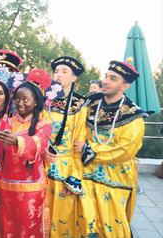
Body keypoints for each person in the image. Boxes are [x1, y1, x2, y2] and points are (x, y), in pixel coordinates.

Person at [75, 59, 148, 237]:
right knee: (84, 227)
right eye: (106, 76)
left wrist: (87, 150)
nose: (105, 81)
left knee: (112, 229)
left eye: (112, 78)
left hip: (116, 181)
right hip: (86, 176)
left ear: (125, 86)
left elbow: (125, 150)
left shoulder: (133, 115)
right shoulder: (90, 104)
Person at [0, 69, 53, 238]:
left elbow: (40, 144)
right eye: (17, 99)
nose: (20, 103)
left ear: (36, 102)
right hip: (6, 187)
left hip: (32, 190)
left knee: (29, 229)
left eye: (25, 99)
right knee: (6, 228)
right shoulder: (6, 121)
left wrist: (16, 141)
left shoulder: (44, 124)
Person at [44, 56, 88, 237]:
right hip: (43, 164)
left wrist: (75, 177)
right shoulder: (45, 100)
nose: (59, 75)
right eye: (56, 71)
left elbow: (79, 142)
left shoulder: (79, 105)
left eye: (64, 71)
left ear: (74, 78)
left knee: (62, 220)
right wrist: (41, 152)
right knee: (41, 215)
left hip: (66, 167)